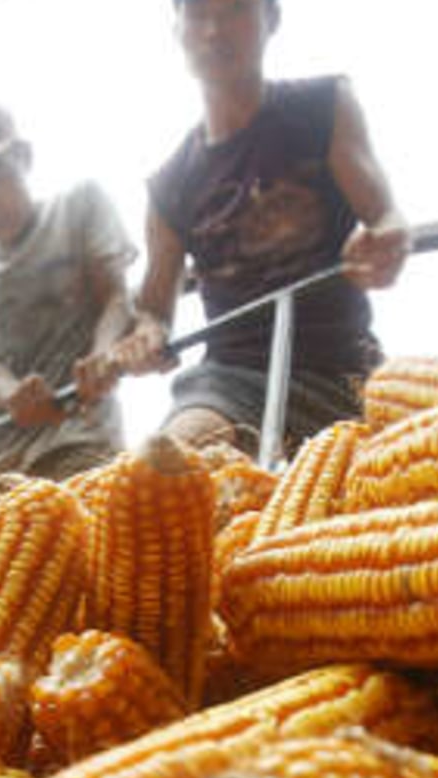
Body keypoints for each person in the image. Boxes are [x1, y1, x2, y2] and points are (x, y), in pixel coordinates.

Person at [114, 0, 411, 461]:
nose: (214, 30)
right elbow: (153, 312)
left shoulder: (322, 106)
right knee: (168, 463)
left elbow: (385, 218)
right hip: (232, 379)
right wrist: (143, 338)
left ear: (270, 19)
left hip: (343, 365)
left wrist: (387, 242)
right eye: (196, 13)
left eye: (233, 9)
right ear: (178, 31)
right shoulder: (170, 184)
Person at [0, 101, 138, 481]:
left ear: (23, 158)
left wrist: (102, 356)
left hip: (78, 437)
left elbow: (115, 298)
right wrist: (9, 391)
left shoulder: (79, 205)